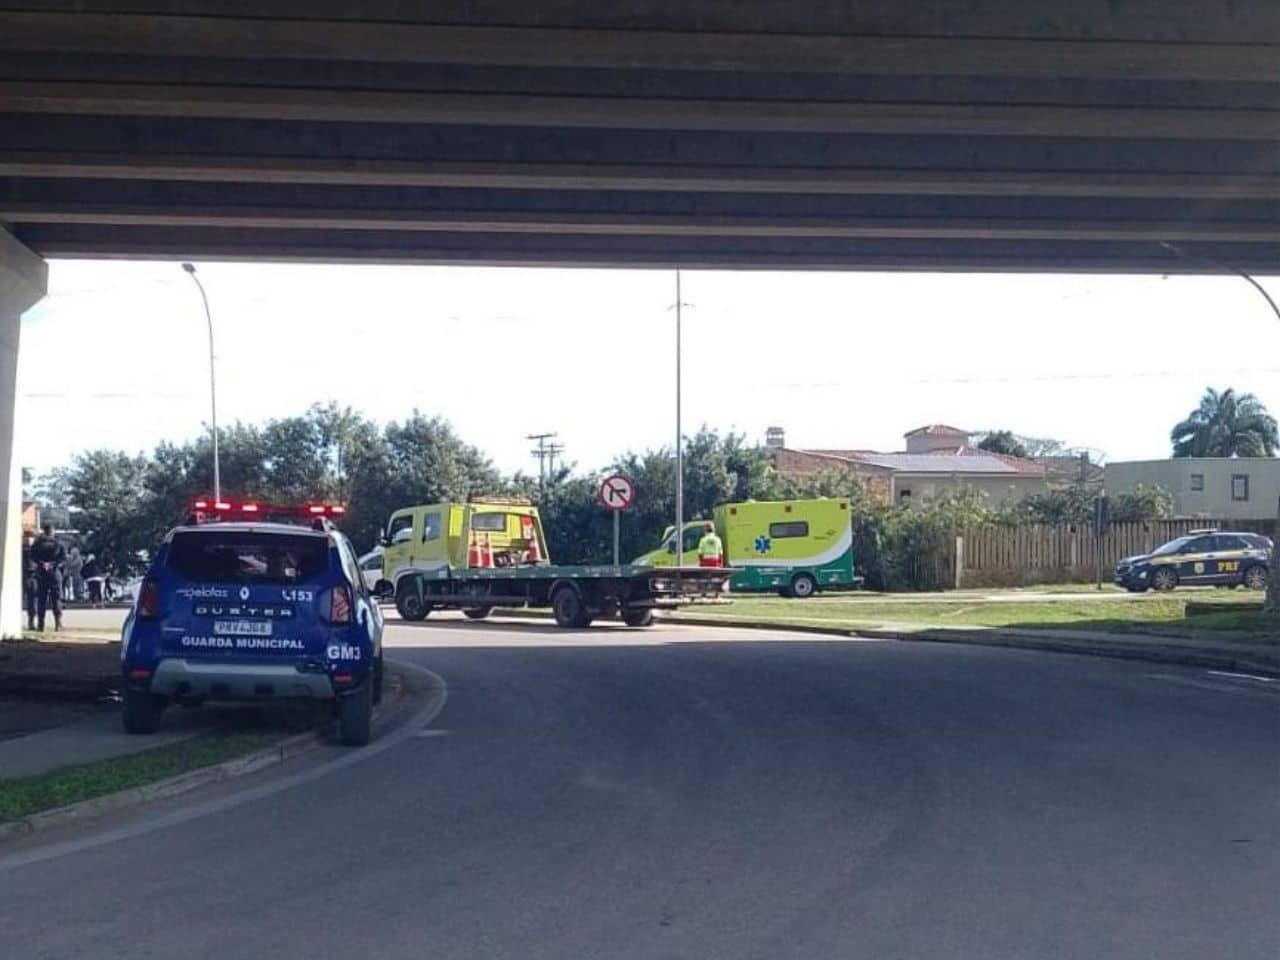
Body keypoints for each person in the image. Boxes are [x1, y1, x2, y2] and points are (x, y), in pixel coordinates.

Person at [29, 523, 65, 631]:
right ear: (52, 531)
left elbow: (33, 556)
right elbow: (63, 558)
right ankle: (58, 623)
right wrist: (53, 564)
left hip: (41, 572)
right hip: (54, 572)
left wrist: (42, 564)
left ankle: (41, 624)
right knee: (56, 598)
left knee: (41, 599)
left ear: (44, 531)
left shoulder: (38, 544)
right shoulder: (58, 543)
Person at [21, 533, 37, 631]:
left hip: (33, 576)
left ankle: (31, 621)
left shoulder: (36, 550)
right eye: (26, 538)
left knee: (33, 600)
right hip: (22, 576)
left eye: (30, 538)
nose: (28, 540)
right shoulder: (19, 550)